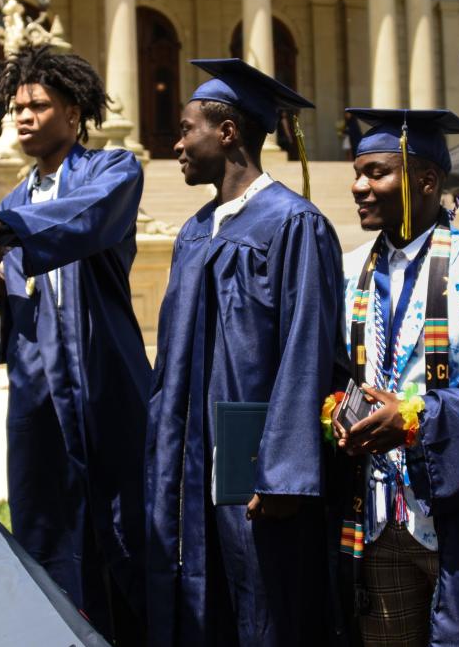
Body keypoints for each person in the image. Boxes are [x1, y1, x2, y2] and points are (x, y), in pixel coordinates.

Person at [0, 45, 149, 642]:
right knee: (49, 534)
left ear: (74, 109)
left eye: (38, 104)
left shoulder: (114, 172)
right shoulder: (9, 203)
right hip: (39, 392)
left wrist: (7, 233)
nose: (24, 117)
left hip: (106, 377)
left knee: (126, 531)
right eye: (16, 108)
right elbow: (1, 312)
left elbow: (86, 221)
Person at [144, 58, 344, 646]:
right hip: (193, 463)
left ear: (228, 132)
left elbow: (307, 350)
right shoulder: (194, 232)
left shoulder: (293, 224)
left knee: (264, 608)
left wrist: (283, 473)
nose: (176, 143)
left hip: (257, 474)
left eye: (186, 129)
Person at [329, 108, 459, 645]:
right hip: (377, 518)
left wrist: (416, 418)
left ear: (425, 180)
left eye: (376, 172)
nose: (358, 186)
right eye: (357, 172)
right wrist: (337, 409)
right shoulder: (346, 269)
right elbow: (337, 370)